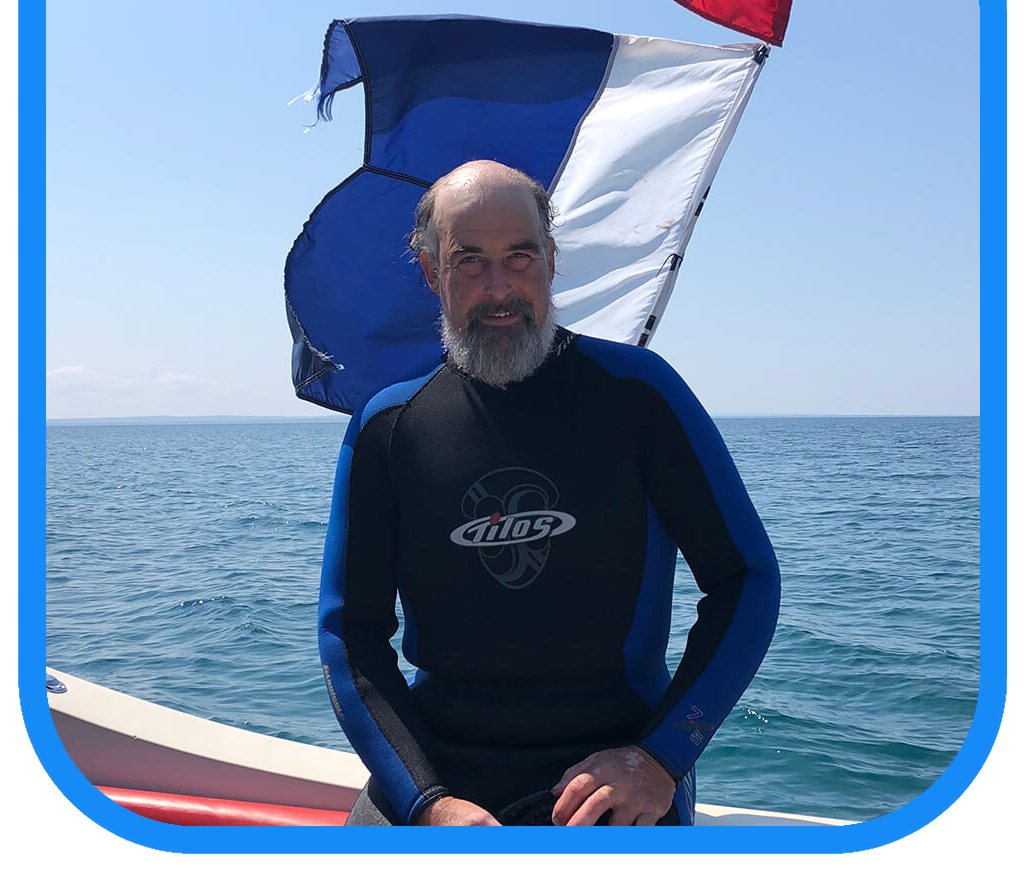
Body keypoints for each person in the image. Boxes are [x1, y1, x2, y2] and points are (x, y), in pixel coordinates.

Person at [317, 160, 780, 826]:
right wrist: (427, 803)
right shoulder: (391, 425)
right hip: (438, 771)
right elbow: (349, 636)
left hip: (617, 775)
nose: (501, 287)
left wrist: (660, 758)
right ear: (431, 272)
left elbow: (747, 579)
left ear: (552, 260)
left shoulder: (639, 395)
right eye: (470, 261)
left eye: (521, 256)